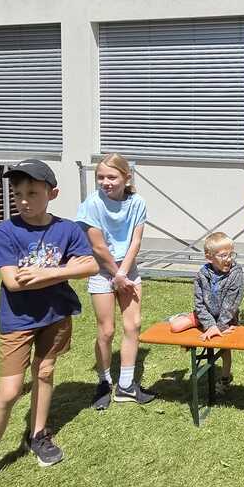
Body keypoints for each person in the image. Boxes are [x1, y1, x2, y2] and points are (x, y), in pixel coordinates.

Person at [0, 160, 98, 487]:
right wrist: (65, 270)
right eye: (17, 193)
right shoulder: (5, 232)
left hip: (56, 316)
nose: (23, 200)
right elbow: (14, 281)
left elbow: (91, 265)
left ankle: (38, 434)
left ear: (52, 194)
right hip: (18, 321)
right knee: (9, 390)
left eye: (32, 192)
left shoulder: (67, 229)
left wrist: (46, 272)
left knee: (45, 372)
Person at [76, 154, 153, 409]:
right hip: (102, 269)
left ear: (126, 177)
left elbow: (136, 241)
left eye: (111, 177)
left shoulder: (138, 203)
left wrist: (124, 273)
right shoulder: (91, 204)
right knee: (106, 330)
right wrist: (116, 274)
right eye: (100, 177)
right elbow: (97, 246)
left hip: (127, 269)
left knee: (133, 324)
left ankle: (126, 385)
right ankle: (104, 381)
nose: (105, 182)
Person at [193, 232, 244, 394]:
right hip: (206, 319)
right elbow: (199, 303)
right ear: (209, 257)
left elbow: (231, 305)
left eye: (231, 254)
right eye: (223, 255)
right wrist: (209, 325)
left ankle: (225, 379)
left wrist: (219, 326)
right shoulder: (202, 275)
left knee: (224, 348)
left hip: (227, 321)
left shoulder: (235, 273)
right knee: (177, 326)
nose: (228, 259)